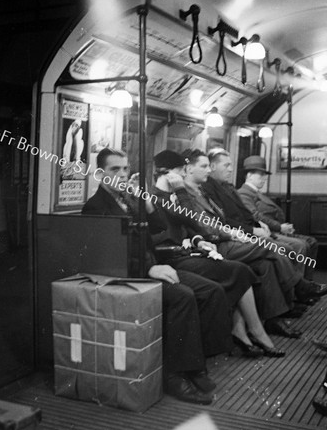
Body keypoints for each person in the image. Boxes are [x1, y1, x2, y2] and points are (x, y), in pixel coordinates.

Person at [82, 148, 233, 405]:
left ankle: (195, 365)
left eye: (125, 168)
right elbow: (106, 258)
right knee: (182, 297)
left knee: (211, 291)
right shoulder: (95, 207)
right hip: (128, 275)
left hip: (152, 266)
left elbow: (159, 227)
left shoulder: (128, 200)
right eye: (114, 169)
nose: (121, 174)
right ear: (100, 174)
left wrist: (148, 204)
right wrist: (148, 270)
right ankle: (174, 376)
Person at [152, 150, 285, 358]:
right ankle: (253, 332)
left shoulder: (173, 195)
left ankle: (245, 331)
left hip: (193, 250)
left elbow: (189, 229)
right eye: (179, 172)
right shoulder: (158, 197)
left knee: (241, 270)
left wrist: (199, 240)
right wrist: (180, 190)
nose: (182, 176)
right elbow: (192, 221)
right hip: (173, 258)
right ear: (168, 173)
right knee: (238, 271)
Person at [202, 147, 327, 307]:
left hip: (247, 232)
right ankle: (299, 289)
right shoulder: (209, 189)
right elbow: (225, 220)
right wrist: (255, 230)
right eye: (226, 165)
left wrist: (257, 225)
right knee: (285, 249)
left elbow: (245, 214)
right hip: (233, 238)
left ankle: (292, 299)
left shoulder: (226, 187)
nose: (231, 169)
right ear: (213, 167)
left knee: (282, 254)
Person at [238, 155, 318, 280]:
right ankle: (299, 288)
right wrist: (280, 227)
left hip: (274, 230)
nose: (264, 178)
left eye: (265, 175)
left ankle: (306, 284)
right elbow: (256, 215)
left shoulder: (256, 193)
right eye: (261, 175)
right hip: (267, 232)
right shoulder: (244, 193)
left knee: (311, 242)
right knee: (301, 245)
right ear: (249, 176)